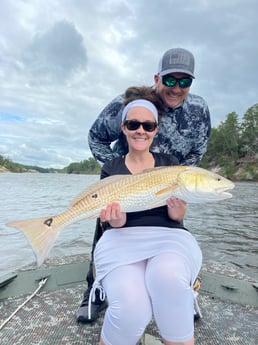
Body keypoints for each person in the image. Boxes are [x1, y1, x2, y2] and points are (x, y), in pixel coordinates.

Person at [76, 47, 210, 323]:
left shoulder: (199, 109)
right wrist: (122, 173)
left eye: (184, 81)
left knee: (174, 235)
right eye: (169, 80)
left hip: (169, 186)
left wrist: (179, 179)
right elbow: (95, 136)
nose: (176, 87)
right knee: (107, 228)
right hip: (127, 184)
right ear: (157, 77)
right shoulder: (129, 102)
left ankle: (180, 293)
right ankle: (95, 289)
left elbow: (198, 150)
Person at [91, 99, 202, 345]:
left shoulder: (170, 163)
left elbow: (177, 218)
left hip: (168, 236)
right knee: (131, 308)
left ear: (155, 130)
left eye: (148, 125)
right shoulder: (112, 167)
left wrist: (178, 209)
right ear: (124, 128)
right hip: (121, 238)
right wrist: (116, 220)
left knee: (169, 279)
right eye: (133, 124)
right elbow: (114, 223)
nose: (141, 130)